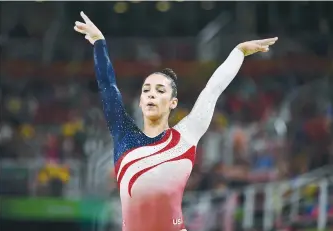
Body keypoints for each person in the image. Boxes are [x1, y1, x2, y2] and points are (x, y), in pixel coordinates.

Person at [74, 11, 278, 231]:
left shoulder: (186, 135)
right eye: (147, 90)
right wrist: (99, 43)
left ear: (173, 103)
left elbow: (213, 89)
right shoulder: (123, 133)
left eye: (160, 90)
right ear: (141, 102)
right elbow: (108, 86)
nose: (151, 94)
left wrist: (239, 52)